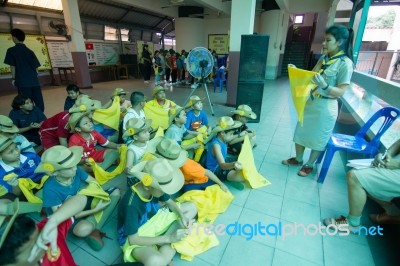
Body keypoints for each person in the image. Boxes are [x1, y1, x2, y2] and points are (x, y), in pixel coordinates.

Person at [282, 25, 354, 177]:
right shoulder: (323, 58)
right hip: (311, 102)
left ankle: (309, 164)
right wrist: (296, 71)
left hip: (326, 106)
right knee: (301, 131)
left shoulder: (345, 64)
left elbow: (341, 91)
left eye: (328, 40)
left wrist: (326, 86)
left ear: (339, 42)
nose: (324, 43)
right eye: (324, 40)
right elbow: (311, 77)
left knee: (319, 137)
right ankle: (299, 158)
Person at [37, 145, 120, 251]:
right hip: (66, 215)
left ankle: (95, 226)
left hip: (80, 201)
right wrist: (94, 210)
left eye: (74, 164)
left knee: (115, 192)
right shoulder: (50, 189)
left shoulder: (76, 171)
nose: (75, 168)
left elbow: (94, 182)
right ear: (55, 172)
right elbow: (64, 216)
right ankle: (96, 224)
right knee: (83, 230)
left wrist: (95, 193)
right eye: (69, 167)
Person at [117, 157, 197, 264]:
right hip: (138, 234)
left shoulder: (154, 189)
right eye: (163, 189)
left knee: (191, 207)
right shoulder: (131, 205)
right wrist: (169, 238)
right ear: (147, 186)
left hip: (153, 220)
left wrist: (182, 216)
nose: (166, 192)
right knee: (155, 261)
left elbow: (170, 202)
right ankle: (166, 246)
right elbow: (133, 240)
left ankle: (163, 246)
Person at [324, 138, 400, 232]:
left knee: (354, 177)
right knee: (363, 173)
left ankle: (352, 224)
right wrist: (387, 154)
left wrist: (397, 164)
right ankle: (393, 212)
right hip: (394, 164)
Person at [148, 137, 229, 193]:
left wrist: (221, 184)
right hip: (184, 180)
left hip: (199, 181)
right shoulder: (159, 164)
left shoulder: (187, 166)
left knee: (187, 190)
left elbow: (207, 172)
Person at [4, 28, 44, 112]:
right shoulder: (30, 51)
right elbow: (36, 68)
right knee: (38, 100)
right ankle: (40, 117)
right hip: (34, 81)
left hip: (22, 82)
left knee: (25, 102)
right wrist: (33, 76)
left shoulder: (11, 50)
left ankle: (30, 119)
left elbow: (13, 66)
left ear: (14, 38)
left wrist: (13, 78)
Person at [206, 116, 245, 188]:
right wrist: (233, 164)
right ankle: (231, 177)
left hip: (223, 161)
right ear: (222, 133)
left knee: (242, 158)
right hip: (216, 169)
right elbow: (222, 165)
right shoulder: (216, 145)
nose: (232, 136)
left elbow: (230, 138)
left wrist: (240, 135)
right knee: (241, 177)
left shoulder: (223, 139)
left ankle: (232, 174)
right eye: (231, 134)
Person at [0, 135, 43, 199]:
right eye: (11, 152)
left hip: (45, 183)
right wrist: (15, 185)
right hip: (26, 195)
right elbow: (16, 195)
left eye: (16, 147)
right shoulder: (2, 173)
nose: (17, 152)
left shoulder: (31, 156)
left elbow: (46, 171)